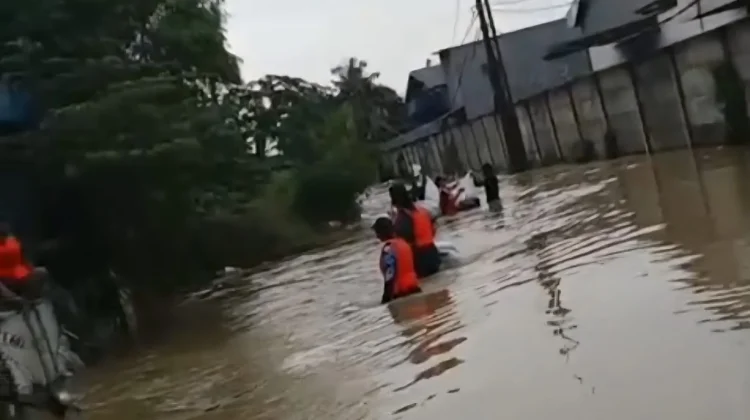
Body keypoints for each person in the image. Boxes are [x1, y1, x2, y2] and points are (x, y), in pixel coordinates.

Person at [388, 183, 441, 278]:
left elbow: (403, 243)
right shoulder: (422, 211)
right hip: (433, 254)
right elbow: (433, 229)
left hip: (420, 259)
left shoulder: (402, 218)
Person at [372, 217, 421, 304]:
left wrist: (385, 300)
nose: (377, 236)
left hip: (401, 295)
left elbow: (390, 275)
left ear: (382, 232)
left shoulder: (388, 248)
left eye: (377, 232)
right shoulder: (403, 243)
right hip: (415, 289)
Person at [0, 223, 39, 298]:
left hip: (15, 273)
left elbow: (22, 261)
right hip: (2, 276)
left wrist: (28, 269)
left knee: (41, 272)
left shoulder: (13, 243)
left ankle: (31, 297)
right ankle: (15, 299)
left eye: (4, 235)